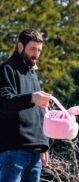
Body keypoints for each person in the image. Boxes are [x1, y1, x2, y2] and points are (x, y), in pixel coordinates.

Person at [0, 28, 51, 181]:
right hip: (14, 151)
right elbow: (4, 102)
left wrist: (44, 145)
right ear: (20, 47)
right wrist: (31, 98)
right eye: (33, 49)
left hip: (36, 153)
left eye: (39, 50)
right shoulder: (7, 69)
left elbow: (39, 112)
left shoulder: (33, 73)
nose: (36, 54)